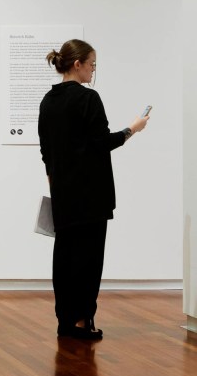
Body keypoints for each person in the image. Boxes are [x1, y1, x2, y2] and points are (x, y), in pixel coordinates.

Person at [38, 39, 149, 341]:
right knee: (88, 260)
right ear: (78, 64)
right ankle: (81, 322)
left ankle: (65, 321)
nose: (93, 70)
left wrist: (56, 184)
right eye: (92, 64)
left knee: (64, 257)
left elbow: (47, 152)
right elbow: (102, 142)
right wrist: (132, 129)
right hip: (91, 194)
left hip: (63, 193)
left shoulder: (48, 101)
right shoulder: (88, 98)